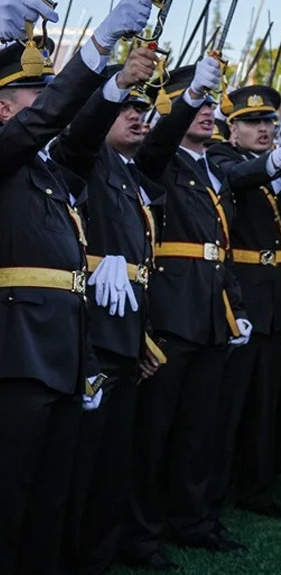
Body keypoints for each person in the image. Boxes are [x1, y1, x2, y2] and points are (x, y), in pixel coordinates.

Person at [0, 0, 151, 575]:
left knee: (49, 501)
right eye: (34, 96)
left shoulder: (46, 172)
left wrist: (111, 86)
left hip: (62, 356)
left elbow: (80, 134)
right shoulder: (7, 155)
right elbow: (52, 117)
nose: (47, 106)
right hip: (16, 353)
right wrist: (95, 49)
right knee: (10, 499)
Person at [121, 54, 255, 568]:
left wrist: (235, 307)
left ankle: (193, 520)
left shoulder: (213, 168)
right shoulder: (154, 158)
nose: (204, 113)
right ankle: (142, 533)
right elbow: (156, 143)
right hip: (172, 316)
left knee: (201, 431)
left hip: (211, 313)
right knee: (155, 433)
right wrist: (189, 96)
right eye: (189, 103)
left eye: (206, 104)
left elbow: (221, 247)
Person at [49, 49, 164, 575]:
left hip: (123, 334)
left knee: (113, 463)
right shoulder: (86, 158)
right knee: (81, 465)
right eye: (126, 109)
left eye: (143, 109)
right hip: (89, 334)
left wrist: (140, 337)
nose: (138, 116)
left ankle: (99, 554)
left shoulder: (127, 172)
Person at [206, 86, 281, 522]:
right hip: (239, 297)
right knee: (228, 405)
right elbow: (242, 178)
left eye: (269, 122)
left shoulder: (274, 165)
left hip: (272, 295)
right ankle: (213, 492)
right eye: (253, 123)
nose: (264, 128)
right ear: (231, 129)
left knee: (264, 404)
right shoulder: (221, 158)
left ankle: (256, 487)